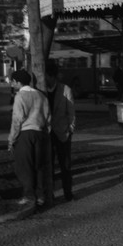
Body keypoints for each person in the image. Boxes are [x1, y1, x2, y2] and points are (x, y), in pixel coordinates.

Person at [8, 69, 51, 205]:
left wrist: (11, 139)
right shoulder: (41, 96)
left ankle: (28, 195)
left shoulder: (20, 96)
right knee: (38, 165)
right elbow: (48, 117)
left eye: (13, 82)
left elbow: (17, 119)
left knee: (24, 166)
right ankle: (40, 195)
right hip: (39, 132)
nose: (12, 84)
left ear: (18, 82)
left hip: (25, 134)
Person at [45, 58, 76, 201]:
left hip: (63, 133)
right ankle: (49, 194)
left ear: (51, 76)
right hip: (46, 133)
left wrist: (70, 129)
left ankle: (68, 193)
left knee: (66, 165)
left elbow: (71, 113)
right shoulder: (41, 90)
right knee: (48, 165)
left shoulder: (65, 89)